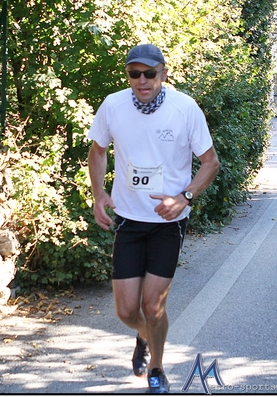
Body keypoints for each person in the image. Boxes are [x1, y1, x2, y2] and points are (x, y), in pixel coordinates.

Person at [87, 43, 220, 394]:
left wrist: (184, 197)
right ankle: (145, 336)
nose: (142, 80)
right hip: (129, 220)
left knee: (152, 305)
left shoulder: (184, 108)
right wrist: (99, 194)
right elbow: (97, 151)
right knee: (126, 311)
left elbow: (210, 163)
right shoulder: (113, 106)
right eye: (135, 73)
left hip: (168, 222)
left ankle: (157, 368)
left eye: (149, 73)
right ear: (128, 75)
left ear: (163, 73)